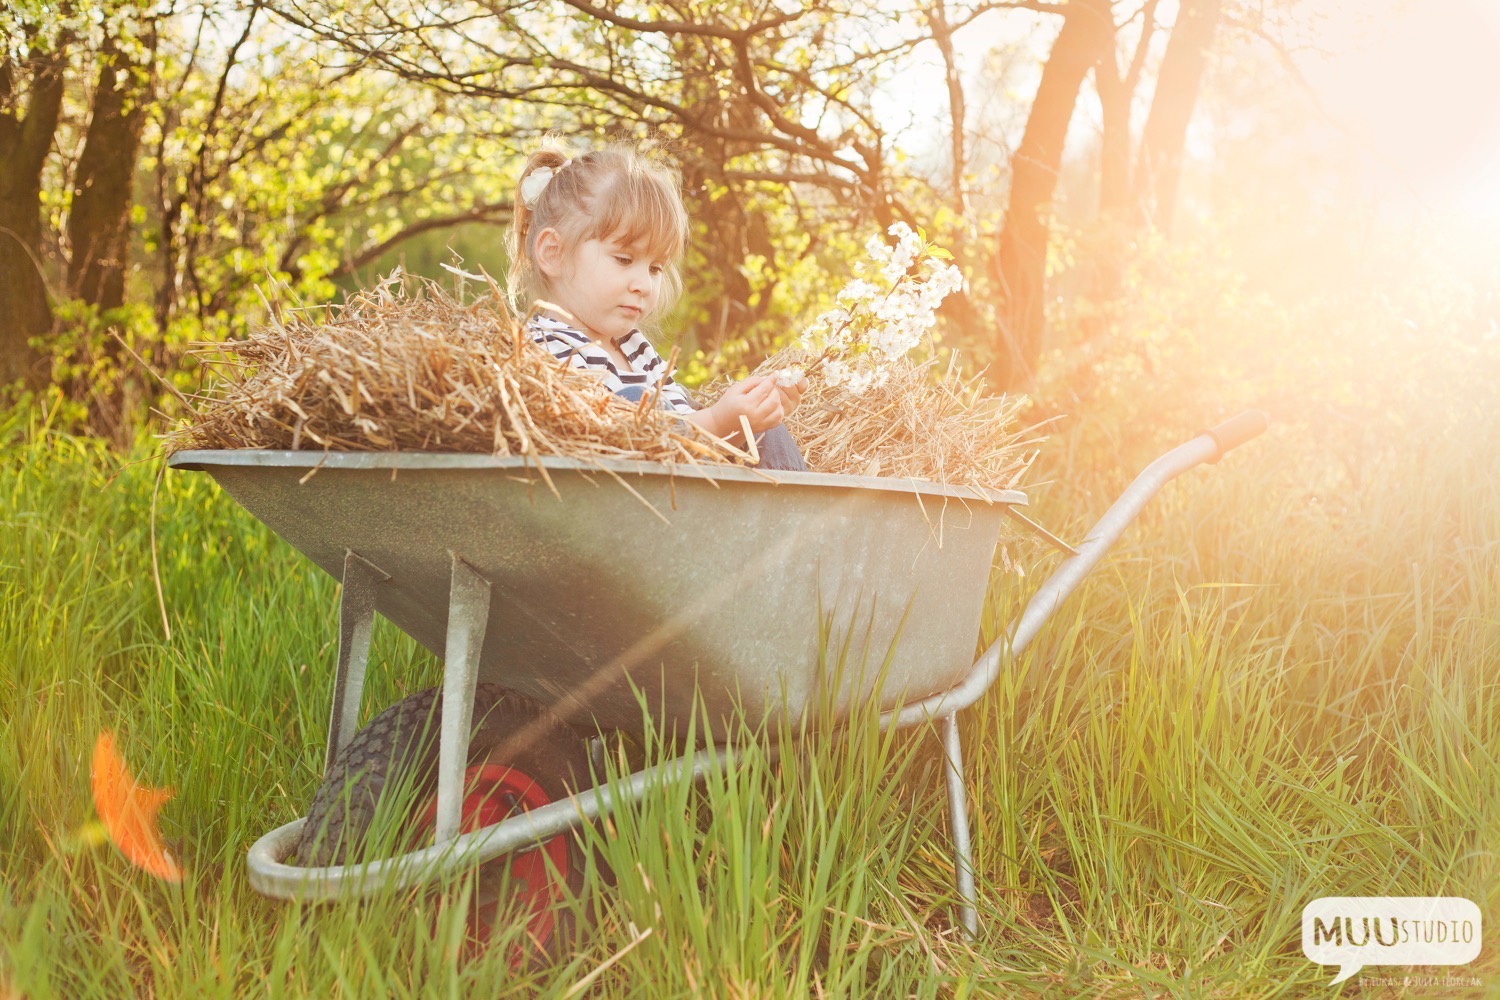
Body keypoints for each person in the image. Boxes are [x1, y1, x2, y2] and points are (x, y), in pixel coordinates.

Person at [506, 142, 808, 472]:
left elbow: (690, 442)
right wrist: (719, 422)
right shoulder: (545, 349)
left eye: (655, 268)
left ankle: (801, 517)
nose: (645, 285)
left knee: (763, 429)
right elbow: (621, 442)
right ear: (554, 253)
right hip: (622, 510)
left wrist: (751, 413)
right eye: (624, 259)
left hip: (693, 505)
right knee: (636, 405)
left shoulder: (636, 350)